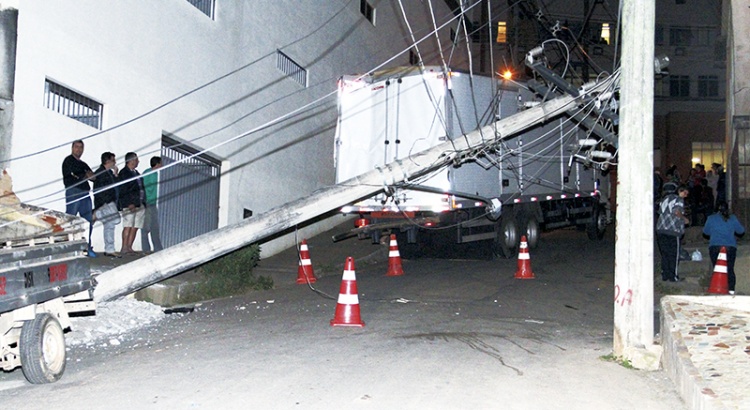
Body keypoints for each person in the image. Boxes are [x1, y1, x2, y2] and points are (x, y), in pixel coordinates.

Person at [61, 139, 97, 257]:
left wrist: (88, 176)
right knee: (70, 218)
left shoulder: (83, 164)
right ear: (72, 148)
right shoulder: (68, 161)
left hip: (85, 193)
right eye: (76, 147)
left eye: (81, 147)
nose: (79, 149)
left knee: (88, 220)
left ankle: (87, 246)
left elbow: (93, 177)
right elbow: (71, 176)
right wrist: (84, 175)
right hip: (74, 192)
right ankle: (66, 247)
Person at [703, 201, 745, 295]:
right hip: (730, 247)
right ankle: (731, 290)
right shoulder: (732, 218)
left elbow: (706, 232)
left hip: (715, 247)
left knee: (717, 268)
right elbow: (741, 231)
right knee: (730, 269)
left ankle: (718, 287)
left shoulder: (711, 218)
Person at [656, 185, 690, 282]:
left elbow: (660, 211)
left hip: (661, 229)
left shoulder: (665, 198)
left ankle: (665, 275)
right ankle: (673, 276)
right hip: (672, 230)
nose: (685, 196)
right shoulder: (678, 199)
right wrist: (684, 219)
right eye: (685, 193)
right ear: (680, 191)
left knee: (665, 253)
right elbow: (677, 212)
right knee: (674, 254)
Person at [93, 152, 121, 258]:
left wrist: (116, 174)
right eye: (114, 160)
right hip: (105, 202)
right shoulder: (100, 173)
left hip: (110, 201)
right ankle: (98, 214)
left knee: (110, 225)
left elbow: (117, 186)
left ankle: (110, 249)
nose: (115, 162)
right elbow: (98, 190)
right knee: (116, 219)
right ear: (108, 161)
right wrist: (103, 203)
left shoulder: (109, 172)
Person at [118, 152, 145, 255]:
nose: (138, 161)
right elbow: (123, 189)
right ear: (131, 160)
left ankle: (129, 246)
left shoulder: (136, 173)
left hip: (139, 203)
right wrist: (129, 203)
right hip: (129, 204)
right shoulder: (124, 173)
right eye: (136, 159)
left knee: (135, 226)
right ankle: (124, 247)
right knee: (128, 225)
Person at [141, 156, 163, 253]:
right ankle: (146, 248)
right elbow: (143, 188)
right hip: (148, 203)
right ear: (157, 164)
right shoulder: (148, 173)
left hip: (153, 203)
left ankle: (157, 247)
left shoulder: (155, 173)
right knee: (146, 227)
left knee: (155, 226)